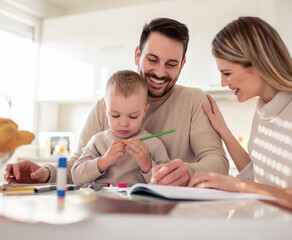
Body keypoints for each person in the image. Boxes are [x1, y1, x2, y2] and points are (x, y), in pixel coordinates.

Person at [188, 16, 292, 240]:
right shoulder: (263, 108)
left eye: (227, 73)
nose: (223, 83)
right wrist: (222, 130)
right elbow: (257, 179)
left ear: (258, 64)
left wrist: (237, 185)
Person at [4, 17, 229, 186]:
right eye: (152, 60)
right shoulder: (106, 106)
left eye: (171, 64)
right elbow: (76, 168)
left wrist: (183, 173)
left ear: (182, 64)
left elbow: (218, 163)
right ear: (137, 55)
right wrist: (44, 173)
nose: (160, 72)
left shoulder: (194, 100)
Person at [71, 70, 170, 185]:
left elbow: (167, 183)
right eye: (115, 115)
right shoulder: (98, 142)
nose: (123, 123)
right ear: (105, 109)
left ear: (144, 111)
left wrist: (148, 166)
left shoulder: (154, 144)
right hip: (102, 201)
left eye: (133, 116)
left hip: (138, 202)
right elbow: (76, 177)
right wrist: (104, 161)